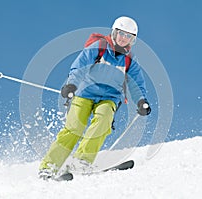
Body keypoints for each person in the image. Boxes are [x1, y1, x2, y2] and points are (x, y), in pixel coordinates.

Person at [39, 16, 151, 179]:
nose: (123, 38)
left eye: (129, 36)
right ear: (114, 33)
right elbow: (80, 66)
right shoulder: (99, 47)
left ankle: (82, 161)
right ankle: (49, 167)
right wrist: (71, 84)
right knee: (74, 127)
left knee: (104, 120)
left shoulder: (129, 61)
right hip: (85, 93)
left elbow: (136, 84)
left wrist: (141, 100)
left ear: (132, 40)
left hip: (109, 98)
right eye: (121, 33)